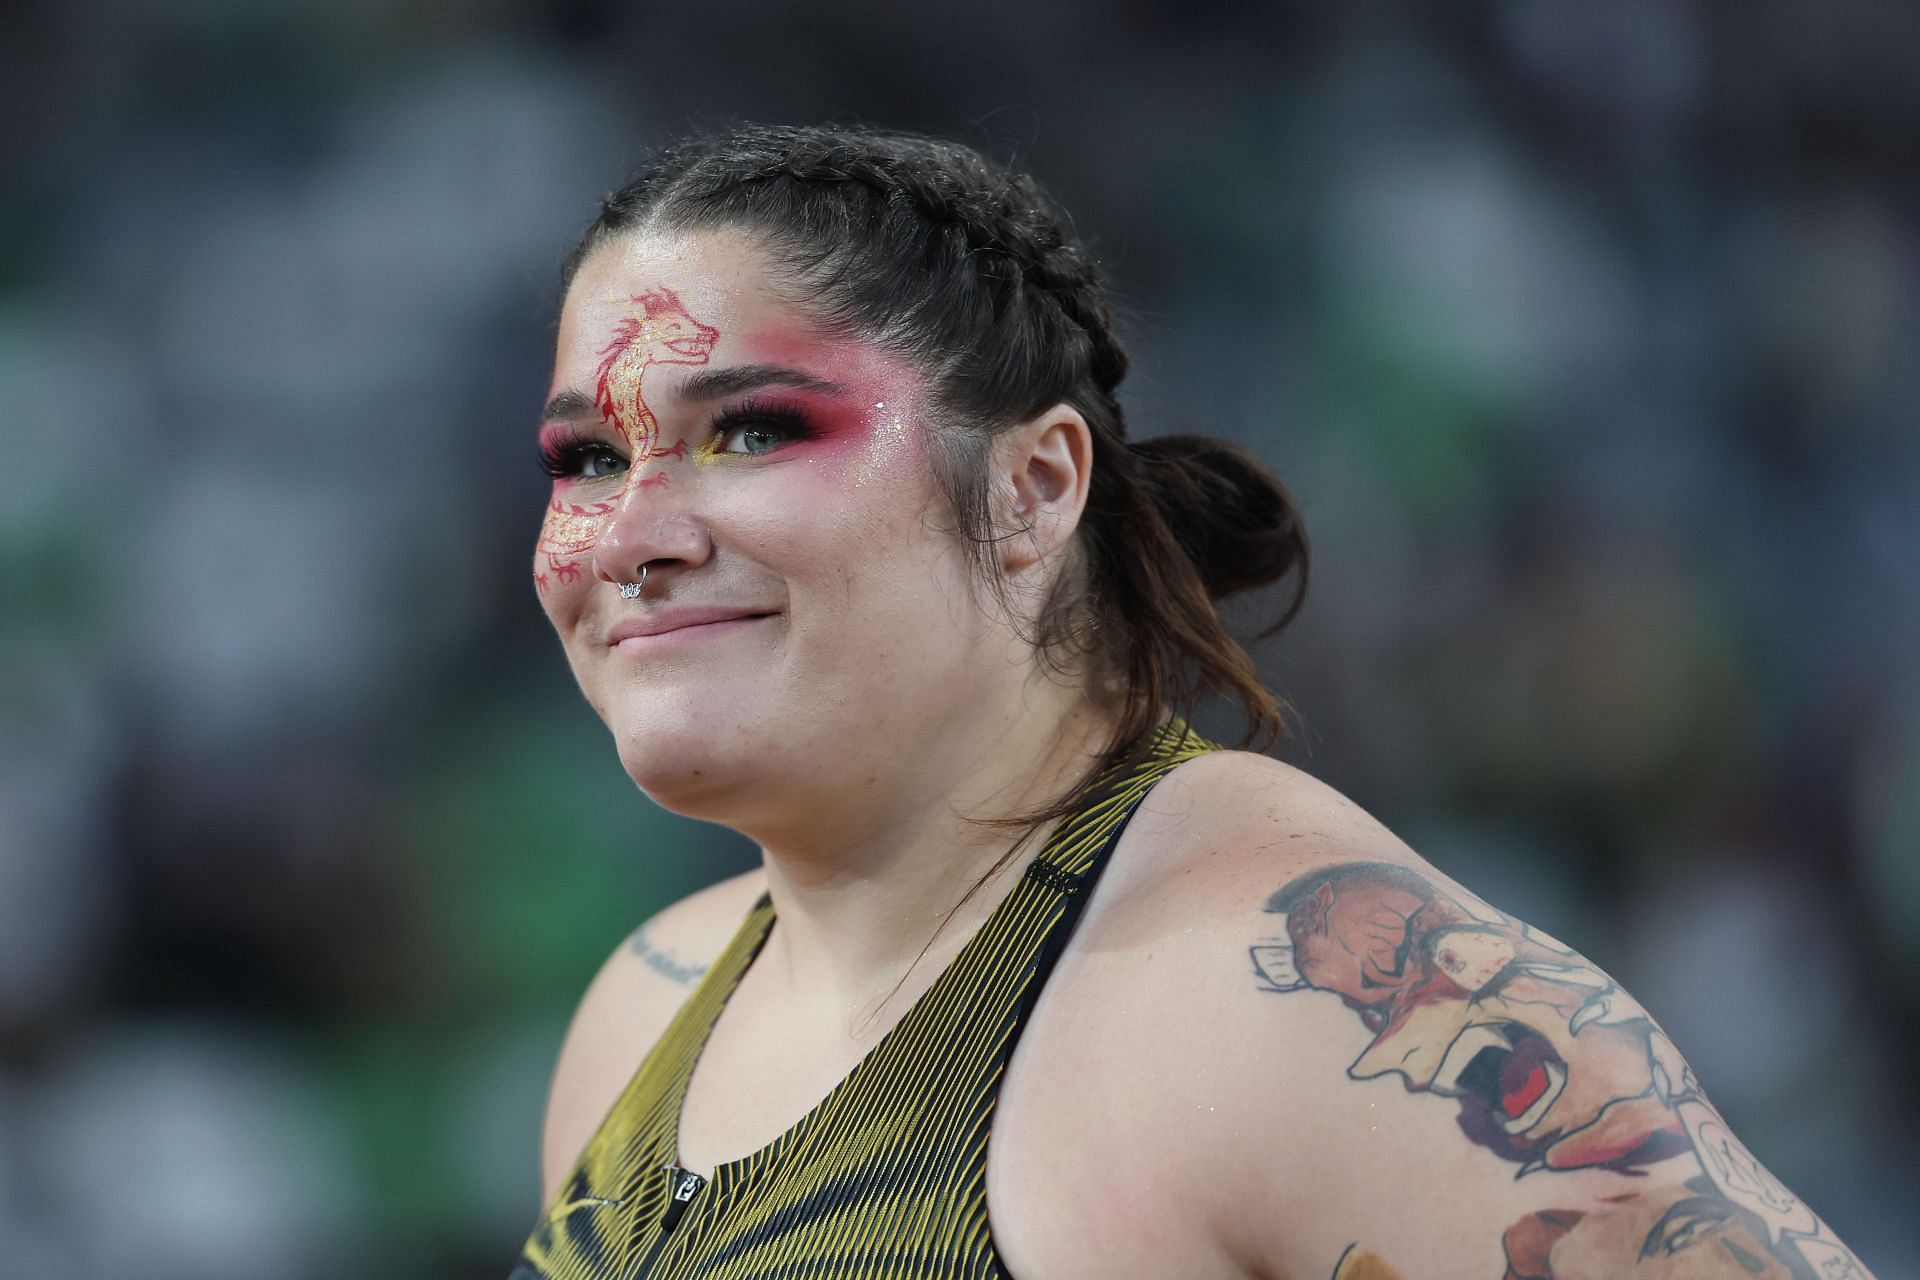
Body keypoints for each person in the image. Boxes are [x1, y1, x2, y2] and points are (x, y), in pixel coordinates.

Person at [510, 123, 1876, 1280]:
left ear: (1032, 488)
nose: (632, 534)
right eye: (586, 457)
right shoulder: (644, 1009)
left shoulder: (1269, 993)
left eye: (752, 430)